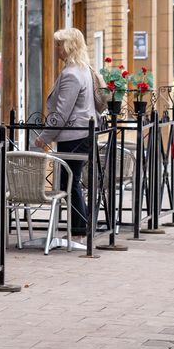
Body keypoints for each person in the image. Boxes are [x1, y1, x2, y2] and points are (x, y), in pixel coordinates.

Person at [37, 28, 101, 237]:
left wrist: (44, 137)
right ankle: (80, 227)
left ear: (68, 46)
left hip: (74, 135)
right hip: (82, 134)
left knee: (69, 182)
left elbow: (62, 112)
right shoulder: (83, 69)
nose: (56, 49)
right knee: (72, 181)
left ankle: (79, 229)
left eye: (58, 44)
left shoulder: (72, 74)